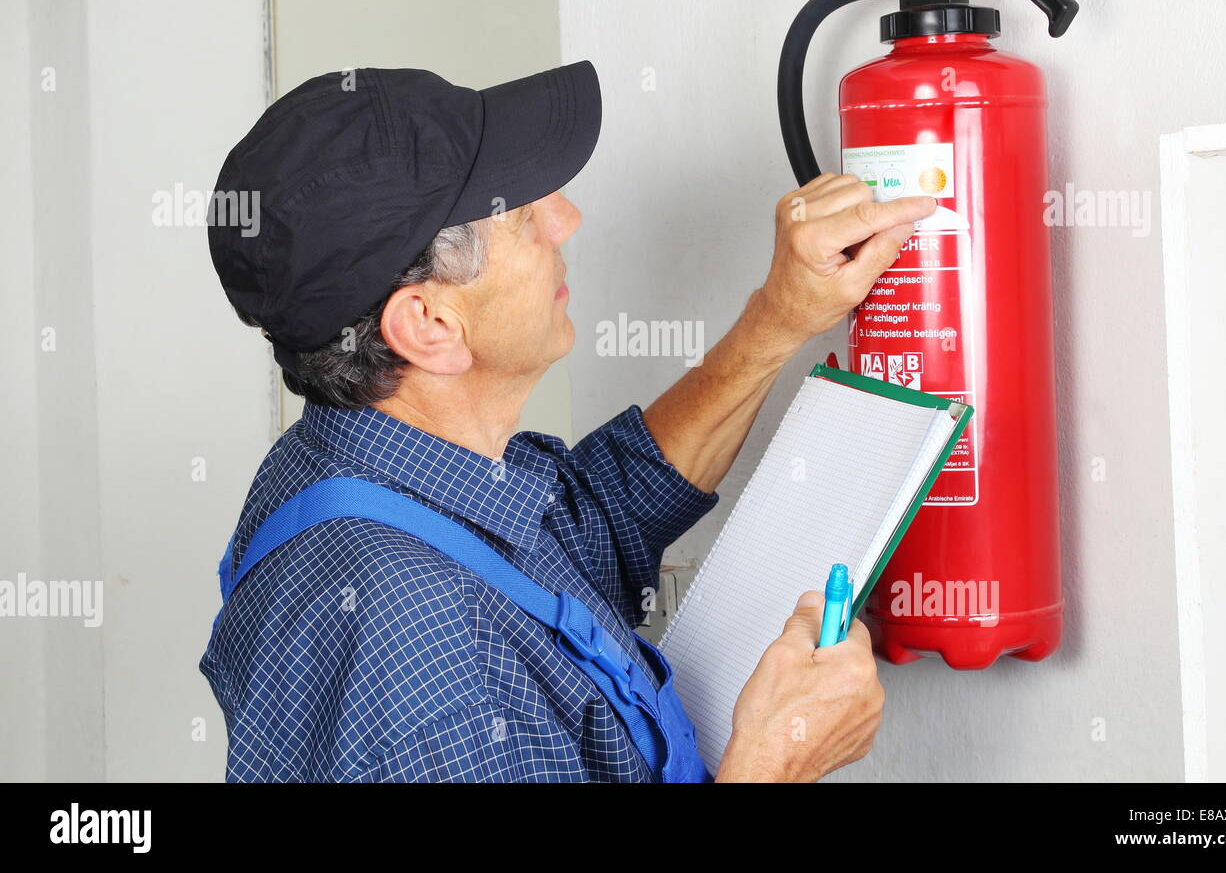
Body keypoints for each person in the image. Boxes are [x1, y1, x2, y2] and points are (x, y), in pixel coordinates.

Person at [201, 62, 933, 782]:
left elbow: (595, 524)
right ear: (428, 324)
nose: (566, 219)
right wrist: (775, 763)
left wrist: (780, 318)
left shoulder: (360, 468)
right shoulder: (422, 664)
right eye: (521, 215)